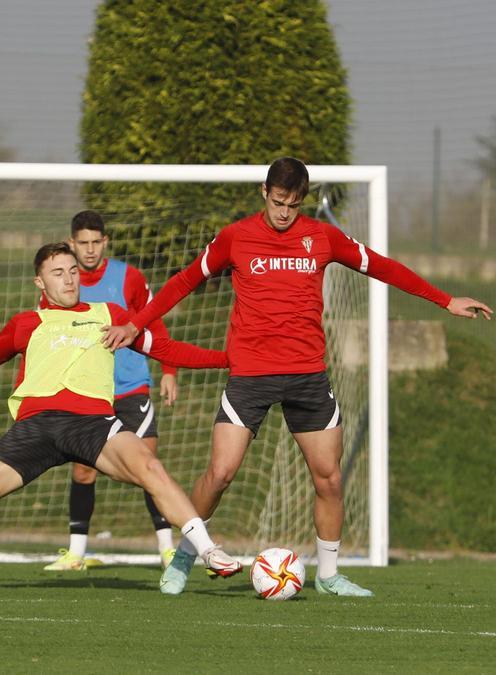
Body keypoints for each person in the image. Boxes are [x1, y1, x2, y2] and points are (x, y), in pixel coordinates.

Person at [103, 157, 493, 597]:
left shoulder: (322, 237)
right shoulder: (235, 238)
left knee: (328, 477)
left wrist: (444, 300)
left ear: (302, 201)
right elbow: (183, 282)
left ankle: (328, 575)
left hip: (308, 376)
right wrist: (136, 324)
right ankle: (186, 557)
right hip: (250, 375)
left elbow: (381, 266)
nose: (284, 212)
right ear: (263, 194)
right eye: (276, 202)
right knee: (220, 473)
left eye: (292, 204)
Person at [0, 242, 242, 591]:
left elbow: (165, 348)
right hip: (35, 427)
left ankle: (207, 550)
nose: (69, 279)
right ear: (40, 282)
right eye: (58, 273)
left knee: (151, 469)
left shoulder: (109, 315)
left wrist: (228, 360)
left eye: (73, 271)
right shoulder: (26, 324)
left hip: (93, 424)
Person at [43, 211, 180, 572]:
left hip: (131, 387)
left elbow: (155, 322)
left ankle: (167, 550)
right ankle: (76, 554)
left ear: (105, 242)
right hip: (87, 394)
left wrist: (169, 370)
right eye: (82, 243)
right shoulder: (61, 284)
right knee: (83, 472)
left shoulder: (129, 277)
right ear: (72, 243)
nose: (89, 250)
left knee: (149, 467)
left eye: (95, 242)